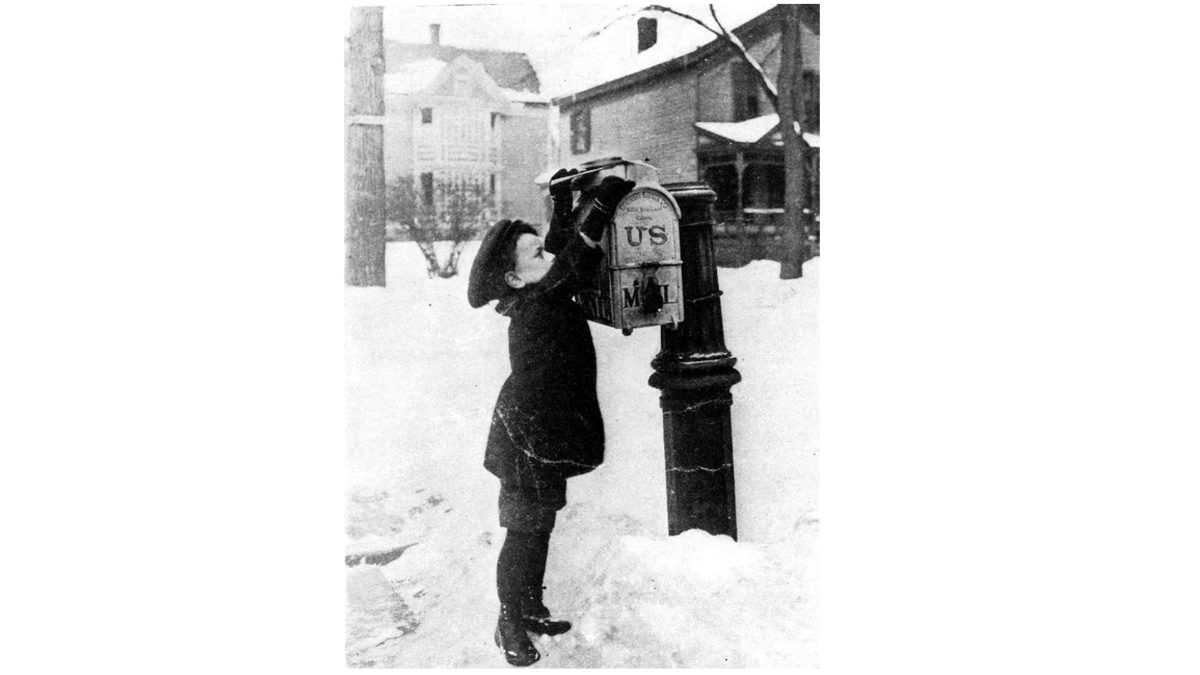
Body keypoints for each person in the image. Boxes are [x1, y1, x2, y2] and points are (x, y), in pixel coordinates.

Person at [467, 169, 635, 667]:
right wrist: (600, 205)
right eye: (534, 255)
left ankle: (530, 605)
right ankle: (509, 622)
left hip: (540, 430)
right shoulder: (536, 305)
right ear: (515, 278)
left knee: (539, 526)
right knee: (523, 531)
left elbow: (557, 258)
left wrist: (563, 204)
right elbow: (569, 263)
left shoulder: (539, 290)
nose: (548, 257)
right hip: (526, 438)